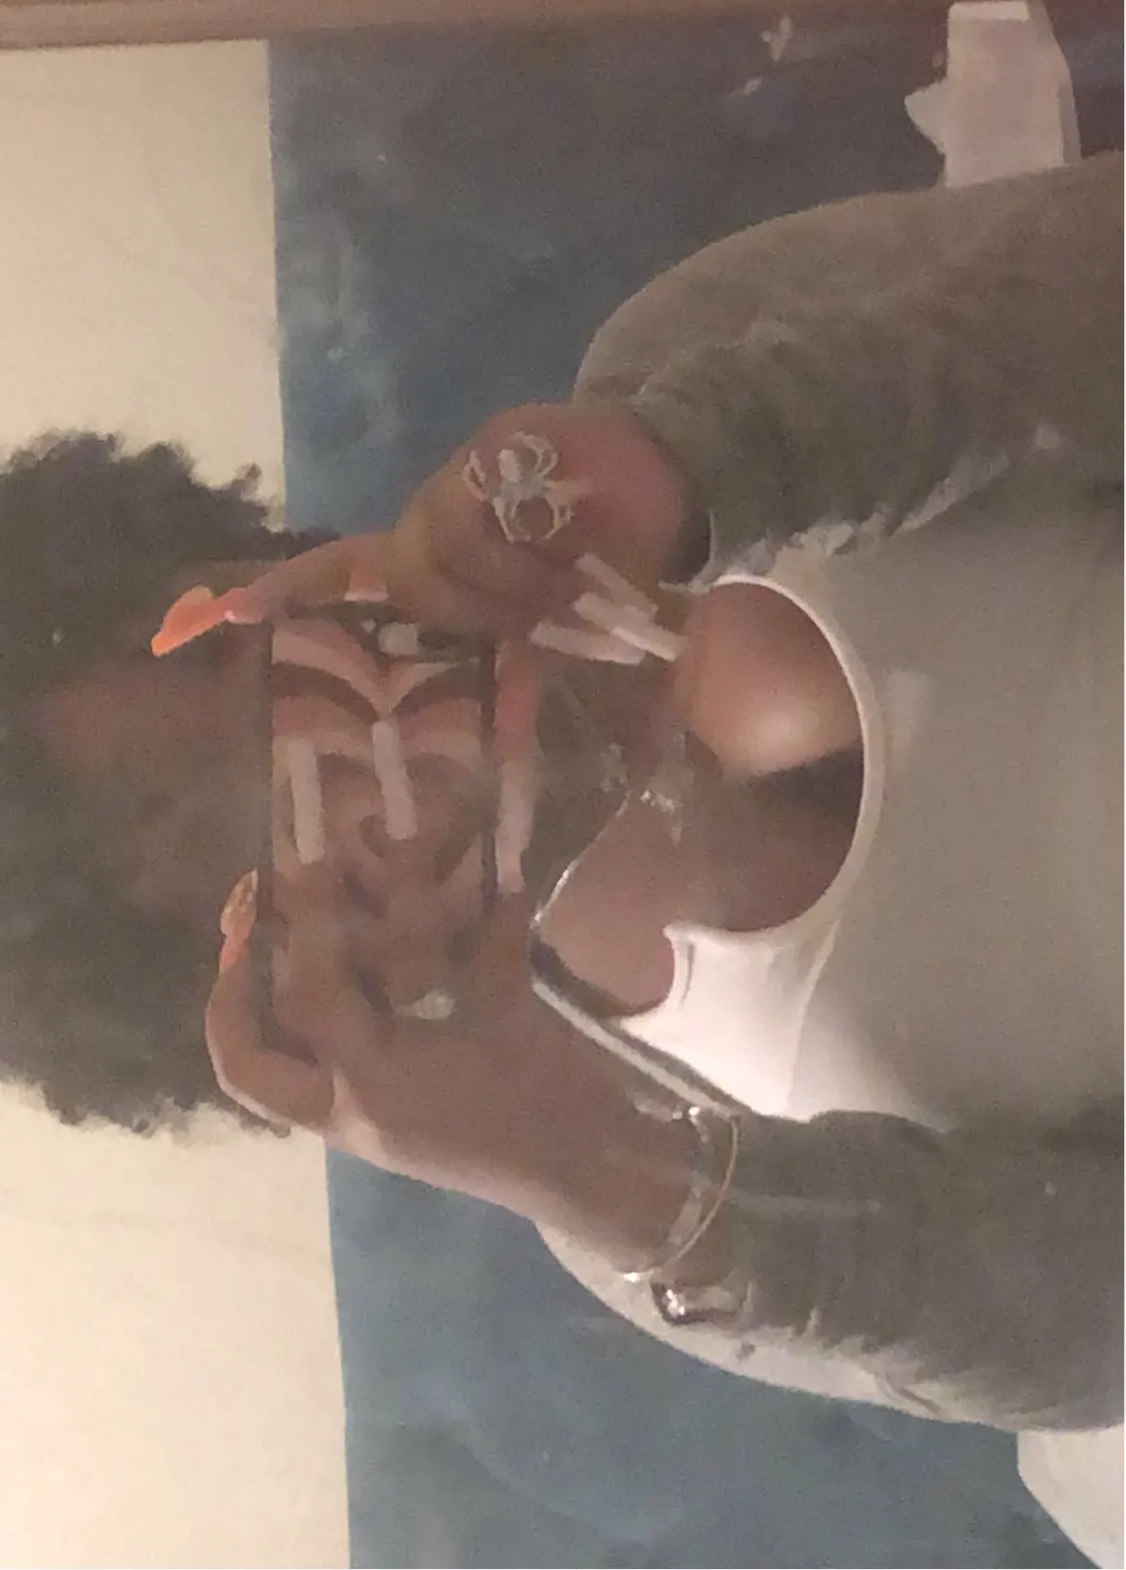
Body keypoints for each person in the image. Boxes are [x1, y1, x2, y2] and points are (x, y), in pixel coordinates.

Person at [0, 157, 1119, 1443]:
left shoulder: (682, 367)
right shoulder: (642, 1167)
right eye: (224, 823)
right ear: (256, 985)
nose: (335, 746)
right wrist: (610, 1178)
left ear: (244, 564)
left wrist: (713, 457)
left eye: (230, 659)